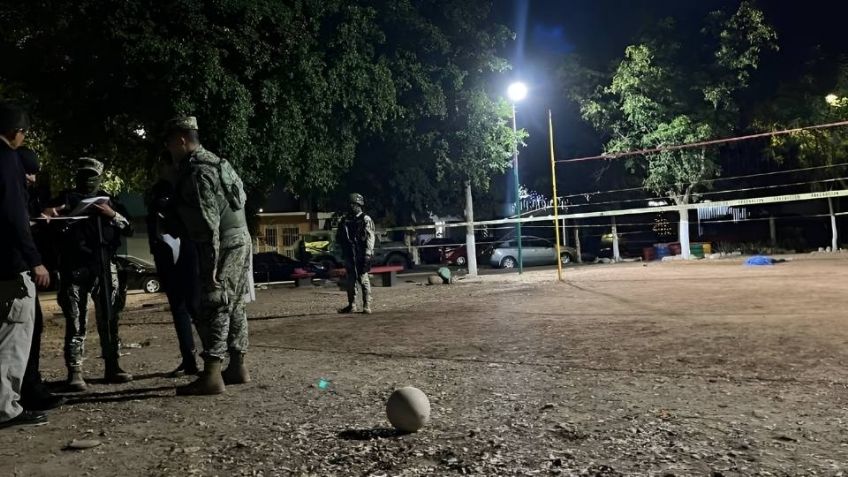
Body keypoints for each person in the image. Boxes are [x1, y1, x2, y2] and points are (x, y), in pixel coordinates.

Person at [166, 116, 251, 396]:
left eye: (170, 142)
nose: (168, 149)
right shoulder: (218, 161)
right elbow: (242, 198)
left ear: (181, 139)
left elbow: (208, 221)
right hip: (240, 238)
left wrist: (212, 267)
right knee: (235, 304)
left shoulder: (198, 171)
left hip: (222, 243)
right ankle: (238, 366)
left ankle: (212, 375)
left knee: (216, 302)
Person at [50, 158, 134, 391]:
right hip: (75, 268)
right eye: (83, 175)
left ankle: (113, 364)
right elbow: (50, 227)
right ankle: (75, 370)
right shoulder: (64, 200)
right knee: (76, 321)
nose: (87, 180)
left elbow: (128, 228)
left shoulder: (111, 201)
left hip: (106, 267)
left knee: (110, 318)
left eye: (92, 175)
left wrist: (110, 214)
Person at [0, 102, 49, 429]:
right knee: (14, 337)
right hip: (9, 264)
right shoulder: (8, 161)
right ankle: (7, 407)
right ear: (16, 132)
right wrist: (35, 261)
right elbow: (15, 216)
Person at [18, 148, 65, 410]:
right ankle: (26, 392)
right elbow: (15, 225)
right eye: (29, 172)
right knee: (23, 332)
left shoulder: (22, 193)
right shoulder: (11, 192)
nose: (33, 179)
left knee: (29, 330)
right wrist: (36, 262)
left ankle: (29, 386)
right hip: (17, 270)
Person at [145, 154, 200, 376]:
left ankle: (209, 361)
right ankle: (190, 360)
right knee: (181, 311)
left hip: (185, 254)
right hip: (168, 254)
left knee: (193, 309)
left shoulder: (184, 188)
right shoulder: (160, 192)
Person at [336, 193, 375, 314]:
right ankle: (352, 305)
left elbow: (370, 237)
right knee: (351, 281)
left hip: (361, 253)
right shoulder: (345, 220)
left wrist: (368, 254)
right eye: (350, 204)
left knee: (363, 279)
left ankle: (367, 305)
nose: (351, 206)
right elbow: (340, 238)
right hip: (349, 254)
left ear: (359, 205)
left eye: (353, 204)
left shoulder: (365, 219)